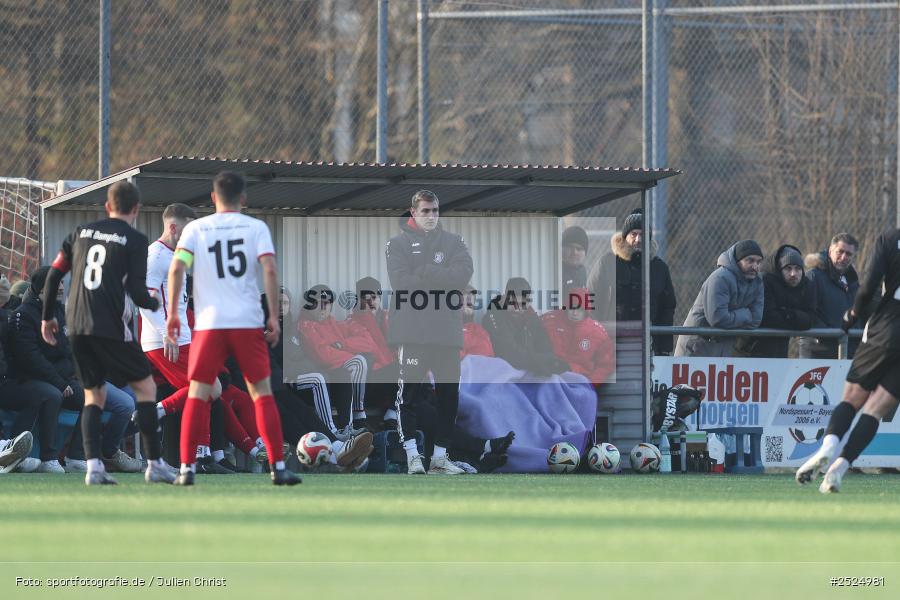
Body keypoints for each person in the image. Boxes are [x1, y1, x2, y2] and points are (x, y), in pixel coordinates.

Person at [166, 171, 300, 486]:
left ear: (213, 198)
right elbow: (268, 268)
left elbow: (176, 268)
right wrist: (271, 316)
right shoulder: (256, 228)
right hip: (246, 322)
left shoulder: (197, 229)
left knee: (198, 394)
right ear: (243, 199)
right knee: (261, 394)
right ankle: (278, 468)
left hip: (210, 324)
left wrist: (173, 313)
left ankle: (187, 469)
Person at [40, 180, 174, 485]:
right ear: (136, 209)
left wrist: (47, 317)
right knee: (146, 389)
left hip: (77, 327)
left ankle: (94, 468)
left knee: (94, 396)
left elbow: (54, 275)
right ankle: (154, 464)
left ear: (107, 206)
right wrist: (156, 301)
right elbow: (139, 293)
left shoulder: (80, 233)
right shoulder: (136, 240)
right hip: (111, 328)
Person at [140, 203, 260, 474]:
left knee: (209, 389)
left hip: (179, 337)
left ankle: (200, 455)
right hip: (165, 340)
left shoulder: (178, 255)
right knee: (208, 387)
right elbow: (145, 301)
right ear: (173, 227)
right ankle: (192, 448)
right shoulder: (156, 256)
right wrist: (165, 333)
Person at [796, 228, 900, 493]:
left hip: (886, 326)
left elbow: (868, 288)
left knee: (852, 399)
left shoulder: (889, 239)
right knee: (875, 411)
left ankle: (829, 447)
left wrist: (851, 316)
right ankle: (839, 469)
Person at [10, 266, 141, 474]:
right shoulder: (24, 315)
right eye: (56, 283)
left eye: (62, 282)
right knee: (52, 395)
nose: (61, 287)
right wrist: (61, 381)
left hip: (68, 377)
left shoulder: (60, 311)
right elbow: (31, 358)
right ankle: (49, 458)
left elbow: (70, 351)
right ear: (41, 289)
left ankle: (76, 456)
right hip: (36, 379)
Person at [386, 189, 474, 475]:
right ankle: (412, 455)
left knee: (449, 396)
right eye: (425, 211)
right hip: (412, 332)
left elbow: (462, 275)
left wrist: (424, 272)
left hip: (446, 333)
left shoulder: (453, 242)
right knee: (408, 396)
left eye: (435, 210)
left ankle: (439, 458)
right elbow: (401, 283)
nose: (431, 216)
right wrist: (441, 278)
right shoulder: (397, 244)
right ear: (413, 213)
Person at [588, 208, 677, 354]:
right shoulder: (607, 263)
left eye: (642, 234)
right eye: (633, 234)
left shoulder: (659, 268)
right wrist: (596, 339)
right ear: (625, 236)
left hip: (644, 346)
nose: (638, 239)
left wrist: (664, 349)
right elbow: (590, 300)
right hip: (608, 345)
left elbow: (667, 309)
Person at [674, 240, 764, 358]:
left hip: (723, 346)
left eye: (758, 262)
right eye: (750, 260)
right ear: (737, 261)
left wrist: (731, 318)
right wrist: (746, 314)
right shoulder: (720, 278)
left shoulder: (757, 282)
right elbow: (718, 318)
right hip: (696, 345)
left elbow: (756, 320)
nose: (755, 266)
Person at [734, 245, 816, 358]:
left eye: (797, 269)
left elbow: (810, 320)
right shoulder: (765, 281)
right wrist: (796, 319)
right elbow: (768, 317)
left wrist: (788, 314)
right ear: (779, 269)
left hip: (779, 351)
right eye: (788, 268)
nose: (793, 274)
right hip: (750, 350)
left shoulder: (806, 285)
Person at [482, 277, 570, 377]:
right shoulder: (493, 317)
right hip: (505, 372)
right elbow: (509, 354)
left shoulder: (530, 316)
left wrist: (547, 362)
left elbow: (545, 346)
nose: (518, 309)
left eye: (522, 304)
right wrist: (542, 361)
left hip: (533, 368)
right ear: (504, 297)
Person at [799, 233, 861, 358]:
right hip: (819, 352)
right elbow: (807, 314)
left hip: (847, 350)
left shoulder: (853, 282)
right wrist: (834, 334)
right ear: (830, 250)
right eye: (840, 252)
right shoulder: (814, 276)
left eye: (848, 254)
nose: (843, 257)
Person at [541, 288, 614, 385]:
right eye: (572, 308)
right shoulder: (550, 322)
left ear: (586, 311)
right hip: (548, 376)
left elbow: (606, 364)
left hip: (578, 381)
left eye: (580, 309)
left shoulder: (596, 333)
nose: (575, 313)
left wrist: (591, 383)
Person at [461, 285, 494, 359]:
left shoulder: (479, 330)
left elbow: (490, 356)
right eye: (462, 302)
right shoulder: (450, 332)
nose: (465, 307)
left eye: (469, 304)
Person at [561, 226, 588, 298]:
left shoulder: (582, 271)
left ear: (585, 253)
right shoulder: (556, 272)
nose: (574, 252)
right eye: (570, 247)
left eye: (579, 249)